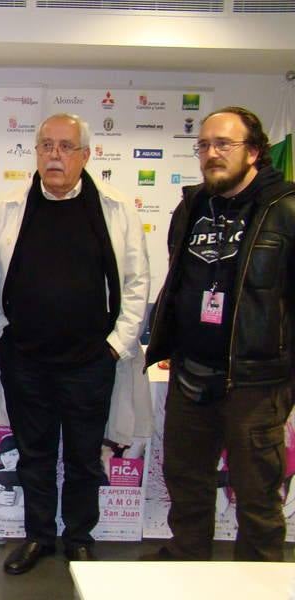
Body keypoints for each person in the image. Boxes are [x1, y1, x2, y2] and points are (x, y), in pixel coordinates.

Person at [0, 113, 150, 573]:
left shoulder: (113, 208)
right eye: (46, 146)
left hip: (89, 363)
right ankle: (39, 537)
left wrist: (116, 346)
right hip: (25, 361)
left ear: (85, 156)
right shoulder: (8, 207)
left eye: (65, 147)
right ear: (35, 153)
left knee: (82, 457)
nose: (54, 155)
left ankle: (79, 537)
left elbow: (137, 283)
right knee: (34, 456)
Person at [144, 106, 295, 562]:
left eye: (223, 145)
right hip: (191, 373)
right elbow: (182, 280)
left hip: (256, 381)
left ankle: (260, 578)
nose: (211, 154)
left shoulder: (285, 208)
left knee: (256, 493)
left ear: (254, 151)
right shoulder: (191, 205)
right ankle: (188, 562)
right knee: (186, 480)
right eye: (204, 145)